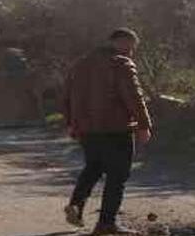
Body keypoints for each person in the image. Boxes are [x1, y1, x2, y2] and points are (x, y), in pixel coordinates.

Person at [63, 28, 153, 235]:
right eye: (130, 47)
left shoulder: (80, 64)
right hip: (116, 129)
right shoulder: (120, 64)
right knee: (117, 176)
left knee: (93, 167)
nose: (131, 52)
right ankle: (106, 223)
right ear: (121, 43)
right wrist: (143, 125)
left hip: (86, 129)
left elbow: (66, 95)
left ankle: (76, 205)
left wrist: (71, 123)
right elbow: (134, 97)